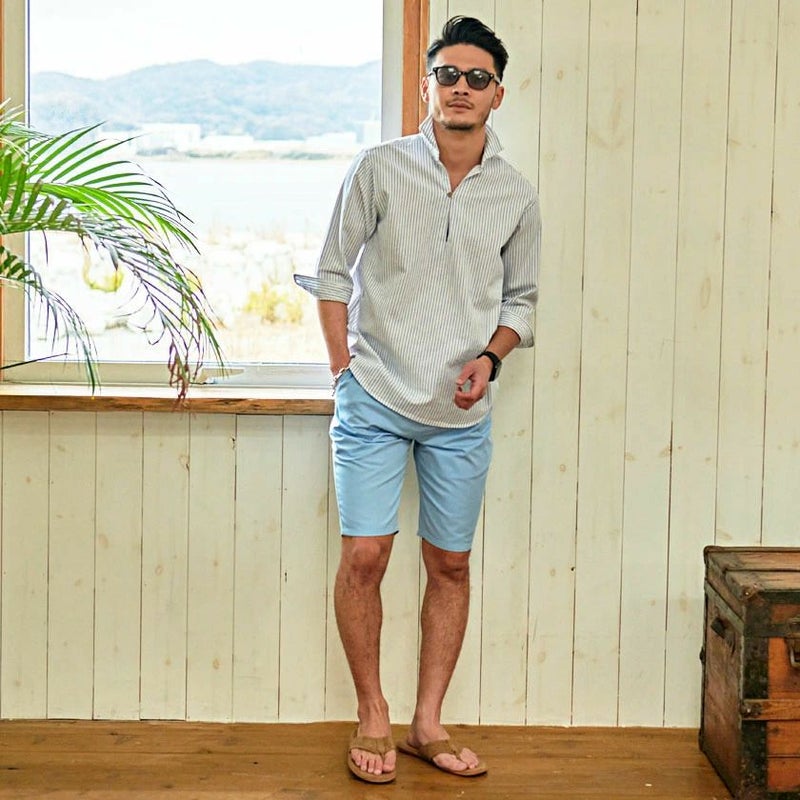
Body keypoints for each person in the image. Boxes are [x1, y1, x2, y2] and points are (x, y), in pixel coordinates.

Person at [294, 15, 540, 783]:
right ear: (427, 86)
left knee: (450, 565)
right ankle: (373, 712)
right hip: (373, 395)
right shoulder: (378, 169)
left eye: (477, 78)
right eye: (448, 75)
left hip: (460, 413)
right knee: (365, 556)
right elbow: (332, 274)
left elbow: (523, 301)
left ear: (498, 94)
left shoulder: (515, 193)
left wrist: (491, 359)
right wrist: (342, 369)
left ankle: (427, 723)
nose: (461, 88)